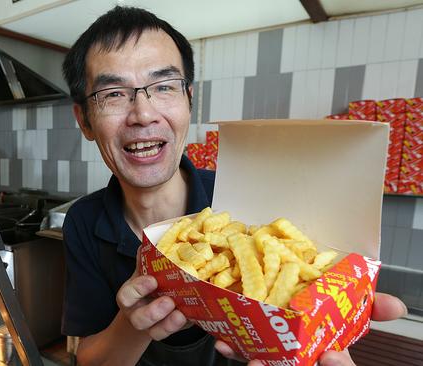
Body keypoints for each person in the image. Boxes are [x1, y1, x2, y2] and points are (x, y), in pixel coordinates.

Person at [60, 6, 407, 366]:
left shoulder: (250, 204)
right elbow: (89, 358)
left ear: (189, 99)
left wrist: (319, 335)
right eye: (114, 93)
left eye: (164, 86)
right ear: (84, 120)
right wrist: (136, 321)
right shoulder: (84, 221)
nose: (143, 114)